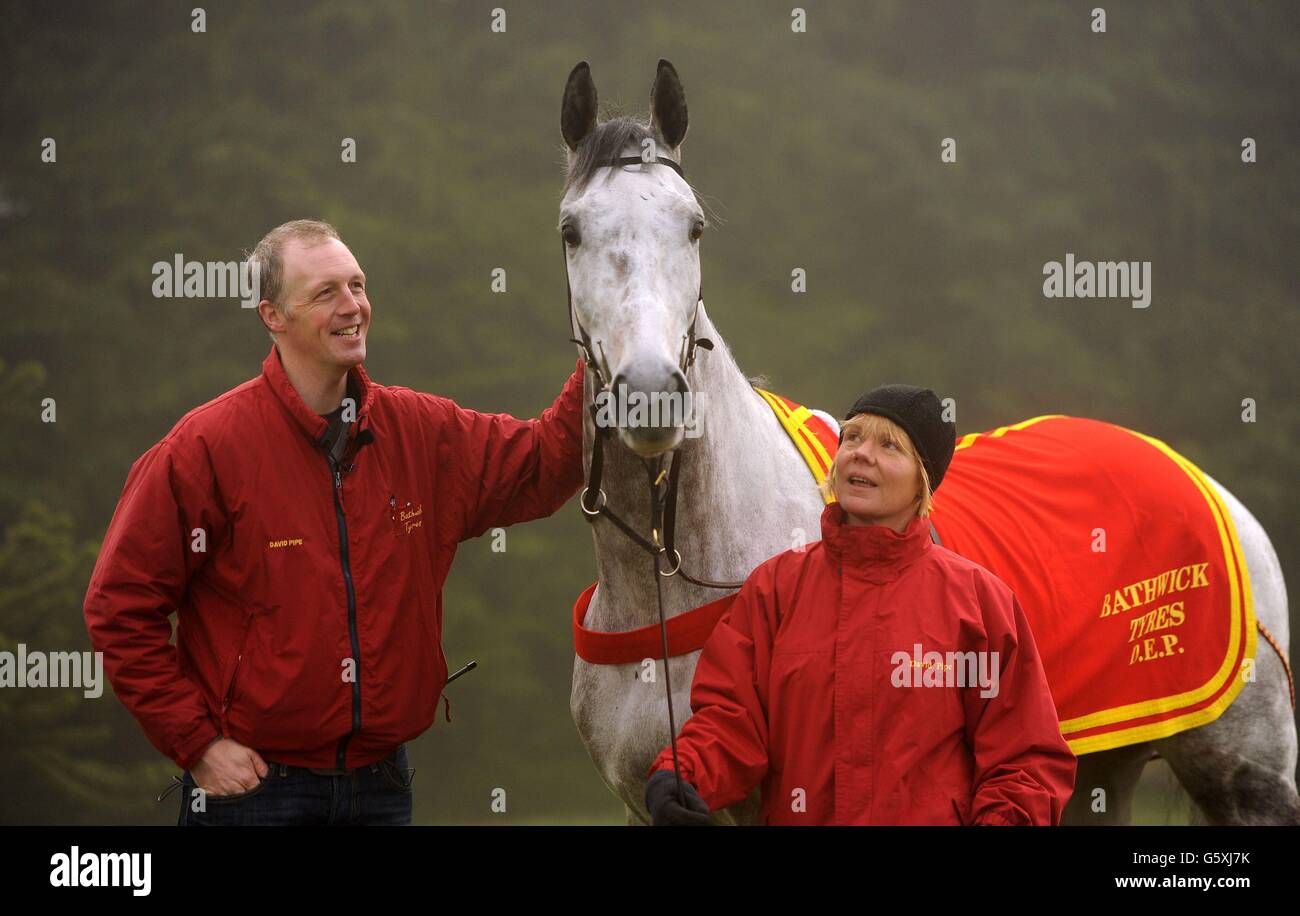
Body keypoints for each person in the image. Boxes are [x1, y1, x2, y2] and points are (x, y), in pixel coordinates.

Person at [83, 219, 586, 825]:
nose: (353, 306)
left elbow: (545, 461)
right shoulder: (205, 448)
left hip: (382, 788)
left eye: (358, 285)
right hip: (254, 795)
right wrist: (197, 744)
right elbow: (118, 606)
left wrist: (609, 343)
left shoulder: (421, 432)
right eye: (326, 293)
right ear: (272, 315)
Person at [644, 384, 1077, 825]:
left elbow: (1023, 760)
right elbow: (733, 723)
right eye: (852, 437)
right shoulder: (774, 589)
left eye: (889, 445)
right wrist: (684, 775)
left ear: (921, 482)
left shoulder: (979, 602)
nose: (861, 454)